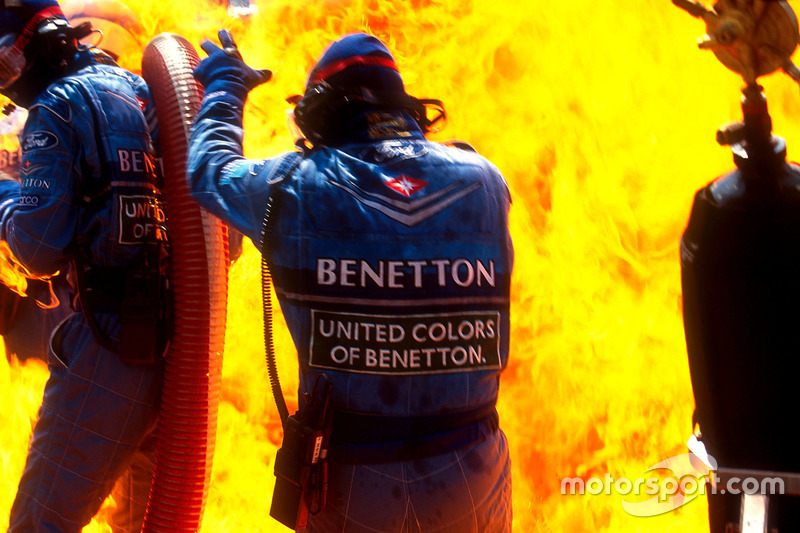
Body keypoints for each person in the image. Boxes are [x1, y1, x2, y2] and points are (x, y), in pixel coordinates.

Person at [189, 30, 514, 532]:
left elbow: (210, 170)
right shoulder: (486, 179)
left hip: (353, 484)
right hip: (474, 471)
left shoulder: (291, 184)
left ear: (320, 111)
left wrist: (225, 89)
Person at [0, 1, 170, 532]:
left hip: (110, 348)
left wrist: (5, 199)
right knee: (145, 523)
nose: (6, 84)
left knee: (39, 523)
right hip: (181, 348)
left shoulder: (57, 106)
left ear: (40, 43)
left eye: (4, 66)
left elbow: (36, 247)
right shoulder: (144, 90)